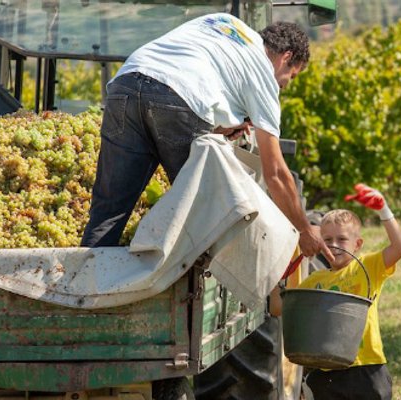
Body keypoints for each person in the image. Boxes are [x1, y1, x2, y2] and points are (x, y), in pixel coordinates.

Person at [81, 14, 332, 263]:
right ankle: (182, 295)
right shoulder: (265, 75)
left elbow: (189, 77)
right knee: (204, 216)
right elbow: (275, 172)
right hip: (178, 95)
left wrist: (217, 126)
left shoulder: (225, 23)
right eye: (292, 76)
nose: (286, 85)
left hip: (126, 84)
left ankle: (81, 291)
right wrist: (304, 229)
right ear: (286, 57)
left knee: (108, 211)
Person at [297, 184, 401, 400]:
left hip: (366, 367)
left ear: (357, 244)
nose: (334, 245)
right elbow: (280, 306)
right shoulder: (314, 280)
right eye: (327, 240)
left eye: (342, 239)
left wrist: (384, 211)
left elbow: (400, 248)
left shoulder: (367, 267)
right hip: (326, 372)